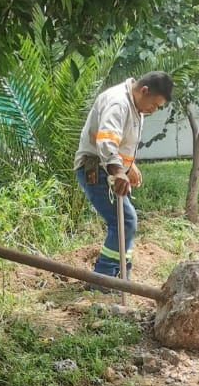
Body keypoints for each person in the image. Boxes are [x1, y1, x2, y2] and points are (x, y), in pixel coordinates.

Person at [74, 71, 173, 277]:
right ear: (144, 91)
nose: (153, 111)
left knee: (125, 221)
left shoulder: (136, 106)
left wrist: (130, 165)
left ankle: (121, 274)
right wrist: (119, 171)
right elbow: (107, 141)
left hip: (109, 168)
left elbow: (121, 140)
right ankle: (104, 278)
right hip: (97, 168)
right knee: (125, 221)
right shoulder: (118, 102)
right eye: (154, 105)